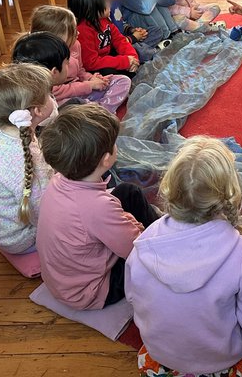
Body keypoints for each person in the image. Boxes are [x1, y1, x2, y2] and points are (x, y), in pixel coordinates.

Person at [126, 137, 242, 377]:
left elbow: (133, 298)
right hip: (222, 359)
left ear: (170, 187)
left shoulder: (144, 242)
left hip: (161, 353)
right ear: (228, 193)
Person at [37, 104, 159, 310]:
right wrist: (132, 223)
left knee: (129, 192)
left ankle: (162, 234)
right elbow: (135, 248)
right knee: (151, 257)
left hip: (63, 281)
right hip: (93, 291)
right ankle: (168, 244)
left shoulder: (58, 180)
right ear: (105, 158)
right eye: (114, 143)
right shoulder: (98, 207)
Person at [0, 64, 54, 254]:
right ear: (37, 110)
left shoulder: (2, 133)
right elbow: (46, 213)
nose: (52, 98)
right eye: (49, 94)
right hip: (22, 239)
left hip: (3, 231)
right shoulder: (27, 159)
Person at [29, 5, 131, 112]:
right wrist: (88, 85)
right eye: (72, 31)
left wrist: (91, 78)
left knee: (123, 81)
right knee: (57, 107)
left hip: (82, 89)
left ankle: (101, 111)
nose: (77, 33)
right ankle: (92, 112)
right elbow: (54, 92)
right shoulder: (42, 57)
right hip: (63, 98)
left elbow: (80, 70)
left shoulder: (75, 44)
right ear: (57, 37)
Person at [88, 0, 158, 62]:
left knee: (156, 31)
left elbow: (120, 21)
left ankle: (145, 51)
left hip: (126, 39)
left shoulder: (116, 0)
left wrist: (131, 30)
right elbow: (108, 42)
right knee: (138, 51)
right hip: (116, 46)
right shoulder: (100, 11)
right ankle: (145, 52)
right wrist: (133, 38)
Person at [67, 0, 140, 78]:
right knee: (108, 72)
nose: (110, 4)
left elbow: (119, 40)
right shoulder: (83, 30)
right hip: (95, 67)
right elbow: (91, 63)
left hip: (106, 57)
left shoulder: (104, 20)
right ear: (92, 8)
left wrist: (132, 57)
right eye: (106, 1)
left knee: (134, 52)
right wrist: (124, 61)